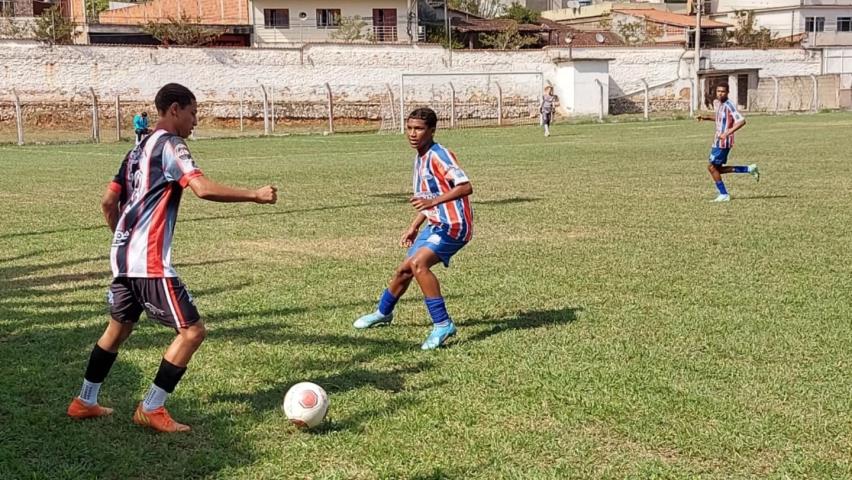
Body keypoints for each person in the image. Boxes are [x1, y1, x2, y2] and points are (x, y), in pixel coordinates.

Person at [66, 83, 278, 432]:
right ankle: (152, 407)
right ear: (175, 109)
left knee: (117, 329)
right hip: (148, 262)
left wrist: (123, 238)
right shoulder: (170, 144)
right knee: (192, 331)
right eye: (193, 113)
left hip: (122, 258)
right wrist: (255, 194)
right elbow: (202, 188)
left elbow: (108, 202)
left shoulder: (137, 149)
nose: (196, 121)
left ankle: (84, 400)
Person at [353, 107, 473, 350]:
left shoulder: (440, 155)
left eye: (418, 129)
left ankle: (442, 324)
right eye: (409, 128)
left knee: (419, 265)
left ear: (432, 130)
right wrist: (414, 226)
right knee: (404, 271)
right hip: (435, 224)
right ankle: (383, 313)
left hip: (454, 226)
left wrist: (433, 202)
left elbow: (465, 187)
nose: (412, 133)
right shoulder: (420, 157)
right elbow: (428, 196)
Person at [696, 83, 759, 202]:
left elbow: (741, 121)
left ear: (727, 92)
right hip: (717, 141)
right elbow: (720, 118)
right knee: (716, 169)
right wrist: (706, 118)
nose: (720, 93)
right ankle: (749, 169)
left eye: (723, 91)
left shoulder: (729, 105)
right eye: (718, 91)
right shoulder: (719, 104)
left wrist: (727, 133)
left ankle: (724, 194)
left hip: (723, 142)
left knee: (711, 167)